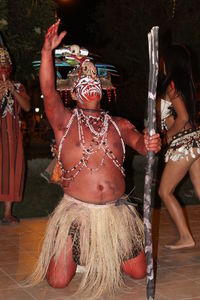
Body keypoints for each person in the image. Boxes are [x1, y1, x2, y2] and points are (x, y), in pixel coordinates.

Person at [28, 20, 161, 299]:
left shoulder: (119, 124)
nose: (90, 85)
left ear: (102, 90)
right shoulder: (64, 121)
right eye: (83, 82)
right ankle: (81, 256)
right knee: (57, 282)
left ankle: (104, 252)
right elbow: (49, 91)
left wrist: (150, 142)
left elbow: (139, 141)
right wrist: (46, 54)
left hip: (115, 213)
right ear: (74, 93)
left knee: (138, 272)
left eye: (94, 81)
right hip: (76, 213)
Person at [158, 44, 200, 250]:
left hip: (184, 143)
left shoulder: (172, 85)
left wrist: (167, 137)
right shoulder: (184, 85)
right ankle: (185, 237)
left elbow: (182, 118)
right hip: (195, 141)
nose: (161, 63)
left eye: (164, 59)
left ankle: (185, 236)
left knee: (165, 191)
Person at [0, 45, 30, 224]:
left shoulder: (18, 86)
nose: (3, 66)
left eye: (5, 62)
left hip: (13, 136)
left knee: (12, 169)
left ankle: (7, 213)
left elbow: (26, 107)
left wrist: (12, 91)